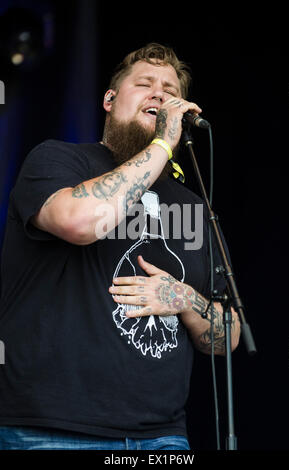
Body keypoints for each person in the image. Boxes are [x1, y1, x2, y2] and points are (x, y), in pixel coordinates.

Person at [0, 43, 240, 450]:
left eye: (169, 89)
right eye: (145, 84)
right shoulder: (59, 160)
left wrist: (185, 299)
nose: (160, 94)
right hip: (52, 430)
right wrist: (162, 146)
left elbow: (229, 336)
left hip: (162, 437)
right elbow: (79, 222)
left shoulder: (194, 207)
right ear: (110, 100)